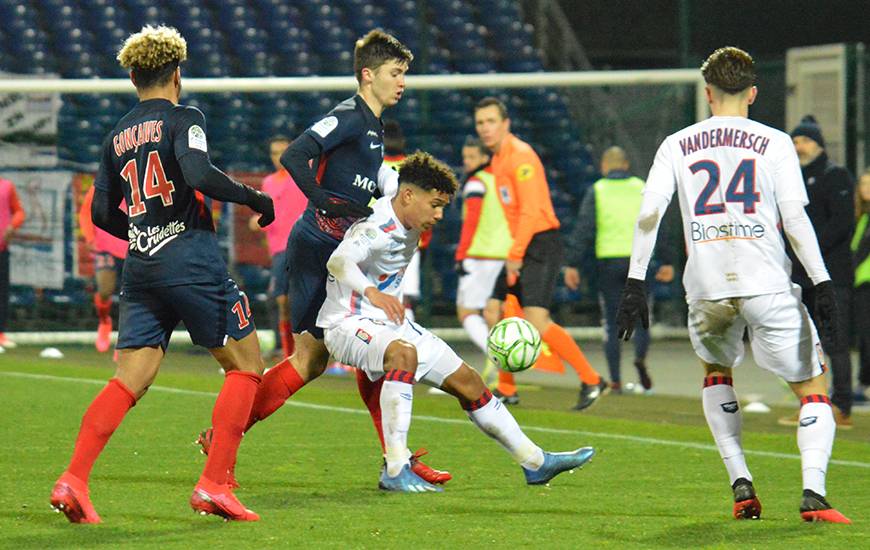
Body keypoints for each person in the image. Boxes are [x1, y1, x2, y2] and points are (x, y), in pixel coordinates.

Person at [197, 30, 451, 486]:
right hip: (319, 248)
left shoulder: (372, 127)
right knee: (309, 360)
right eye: (395, 74)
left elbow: (358, 182)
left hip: (340, 248)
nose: (403, 83)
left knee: (375, 351)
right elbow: (297, 155)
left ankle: (398, 457)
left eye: (404, 75)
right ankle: (222, 441)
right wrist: (322, 200)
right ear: (368, 75)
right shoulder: (350, 116)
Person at [50, 25, 276, 523]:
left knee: (129, 379)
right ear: (177, 73)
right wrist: (254, 197)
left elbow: (103, 213)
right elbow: (197, 174)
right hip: (191, 259)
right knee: (245, 365)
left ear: (133, 77)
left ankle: (74, 479)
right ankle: (214, 484)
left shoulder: (115, 136)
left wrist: (144, 224)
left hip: (142, 266)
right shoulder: (184, 117)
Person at [616, 46, 850, 523]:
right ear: (753, 92)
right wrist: (822, 282)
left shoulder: (676, 143)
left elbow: (648, 215)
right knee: (812, 387)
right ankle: (814, 491)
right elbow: (794, 219)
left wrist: (634, 282)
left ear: (707, 94)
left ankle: (741, 483)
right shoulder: (776, 141)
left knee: (716, 374)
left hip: (706, 286)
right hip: (765, 281)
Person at [318, 151, 595, 491]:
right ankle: (395, 469)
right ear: (408, 197)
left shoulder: (402, 190)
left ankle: (535, 462)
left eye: (443, 206)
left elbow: (390, 173)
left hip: (388, 323)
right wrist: (372, 292)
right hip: (347, 322)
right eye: (434, 204)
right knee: (403, 355)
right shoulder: (376, 226)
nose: (439, 214)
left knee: (469, 381)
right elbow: (339, 263)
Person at [474, 97, 606, 410]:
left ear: (505, 124)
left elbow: (532, 213)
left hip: (540, 243)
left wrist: (516, 254)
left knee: (535, 318)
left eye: (491, 121)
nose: (485, 128)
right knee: (493, 311)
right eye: (480, 123)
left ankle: (591, 379)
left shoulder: (520, 157)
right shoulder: (498, 159)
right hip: (522, 243)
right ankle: (507, 387)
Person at [564, 146, 674, 393]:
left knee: (612, 323)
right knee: (641, 318)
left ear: (604, 166)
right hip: (640, 260)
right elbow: (659, 223)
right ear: (625, 165)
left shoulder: (598, 190)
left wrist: (573, 263)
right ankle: (640, 359)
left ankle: (615, 380)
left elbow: (584, 228)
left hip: (609, 263)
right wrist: (666, 260)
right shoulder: (641, 187)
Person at [777, 115, 855, 428]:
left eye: (805, 141)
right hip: (801, 275)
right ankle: (812, 403)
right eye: (795, 141)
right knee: (806, 342)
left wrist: (807, 249)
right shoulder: (790, 178)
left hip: (831, 273)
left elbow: (841, 222)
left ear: (818, 144)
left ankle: (842, 405)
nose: (799, 147)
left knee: (834, 340)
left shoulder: (835, 176)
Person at [248, 135, 307, 359]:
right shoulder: (269, 182)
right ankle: (287, 349)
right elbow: (268, 215)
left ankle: (303, 349)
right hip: (280, 249)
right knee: (281, 299)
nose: (278, 157)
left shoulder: (303, 174)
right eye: (274, 153)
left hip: (303, 245)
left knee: (299, 298)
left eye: (283, 151)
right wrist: (258, 222)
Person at [454, 137, 504, 355]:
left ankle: (498, 356)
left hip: (479, 255)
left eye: (472, 157)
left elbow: (471, 221)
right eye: (465, 157)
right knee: (493, 315)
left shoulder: (477, 182)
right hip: (503, 255)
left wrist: (460, 254)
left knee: (467, 312)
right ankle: (500, 376)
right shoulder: (503, 180)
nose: (467, 162)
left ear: (485, 157)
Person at [79, 184, 127, 354]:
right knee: (105, 290)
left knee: (131, 295)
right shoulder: (103, 182)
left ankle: (125, 339)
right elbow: (86, 212)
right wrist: (90, 238)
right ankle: (104, 321)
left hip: (133, 245)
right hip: (104, 245)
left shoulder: (141, 178)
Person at [0, 175, 25, 350]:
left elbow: (19, 212)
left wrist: (12, 226)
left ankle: (0, 333)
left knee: (2, 292)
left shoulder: (7, 186)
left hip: (1, 249)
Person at [852, 169, 870, 403]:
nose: (865, 187)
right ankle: (864, 383)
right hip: (859, 282)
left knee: (867, 336)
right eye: (863, 183)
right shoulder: (862, 216)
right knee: (863, 337)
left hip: (867, 281)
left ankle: (865, 383)